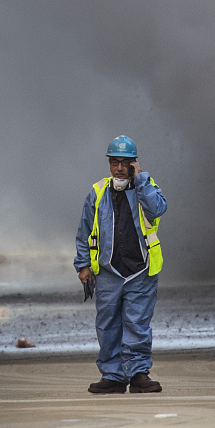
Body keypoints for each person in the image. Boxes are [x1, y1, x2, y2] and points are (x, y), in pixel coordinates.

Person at [75, 135, 167, 394]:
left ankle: (138, 374)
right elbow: (84, 231)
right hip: (108, 272)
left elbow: (157, 209)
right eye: (115, 162)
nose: (119, 168)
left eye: (125, 163)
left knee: (137, 324)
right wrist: (83, 265)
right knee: (107, 325)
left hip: (141, 271)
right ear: (109, 163)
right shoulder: (97, 192)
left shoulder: (146, 187)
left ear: (133, 164)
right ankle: (113, 376)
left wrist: (141, 181)